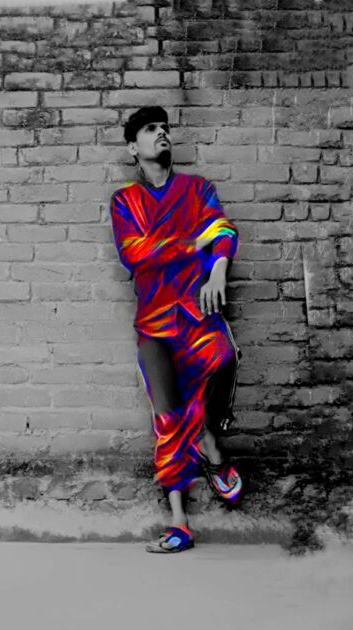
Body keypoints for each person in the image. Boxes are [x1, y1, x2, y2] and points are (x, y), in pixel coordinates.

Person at [109, 105, 243, 554]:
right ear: (134, 148)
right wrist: (194, 241)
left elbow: (223, 229)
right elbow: (136, 254)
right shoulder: (125, 201)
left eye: (164, 128)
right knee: (167, 416)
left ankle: (210, 442)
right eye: (150, 129)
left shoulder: (198, 189)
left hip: (198, 313)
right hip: (154, 326)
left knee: (223, 359)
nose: (161, 133)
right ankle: (180, 523)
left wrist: (218, 267)